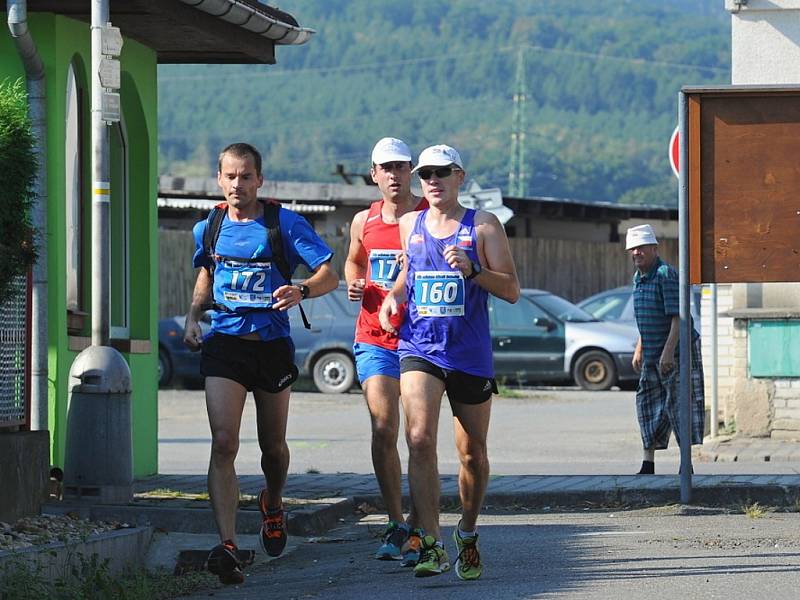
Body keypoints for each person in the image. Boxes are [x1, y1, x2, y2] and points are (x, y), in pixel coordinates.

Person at [183, 142, 338, 584]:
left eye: (246, 176)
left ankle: (272, 501)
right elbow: (206, 273)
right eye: (230, 176)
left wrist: (301, 290)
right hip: (225, 345)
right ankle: (228, 544)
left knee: (273, 448)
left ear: (259, 179)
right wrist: (195, 315)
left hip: (270, 346)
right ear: (219, 179)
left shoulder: (284, 223)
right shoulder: (208, 227)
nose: (238, 184)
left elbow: (330, 272)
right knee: (224, 442)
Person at [379, 144, 519, 580]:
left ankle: (468, 531)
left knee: (471, 453)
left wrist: (474, 270)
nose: (432, 181)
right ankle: (433, 544)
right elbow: (410, 273)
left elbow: (512, 289)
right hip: (418, 347)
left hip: (469, 355)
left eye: (441, 173)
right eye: (425, 174)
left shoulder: (485, 225)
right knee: (419, 438)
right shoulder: (410, 223)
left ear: (460, 176)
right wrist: (392, 297)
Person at [344, 137, 427, 565]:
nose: (394, 175)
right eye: (385, 168)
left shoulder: (428, 216)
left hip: (419, 339)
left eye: (401, 167)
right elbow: (354, 261)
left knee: (418, 436)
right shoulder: (364, 220)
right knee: (383, 429)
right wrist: (354, 282)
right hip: (373, 335)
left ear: (410, 170)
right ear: (374, 174)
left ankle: (418, 525)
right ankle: (395, 523)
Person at [626, 224, 705, 475]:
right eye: (633, 248)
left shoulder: (665, 274)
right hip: (652, 352)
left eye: (641, 247)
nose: (637, 252)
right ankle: (648, 463)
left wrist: (669, 352)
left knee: (680, 406)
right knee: (647, 403)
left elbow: (678, 318)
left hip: (677, 351)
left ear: (653, 248)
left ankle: (686, 464)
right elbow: (645, 317)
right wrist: (640, 347)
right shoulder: (638, 279)